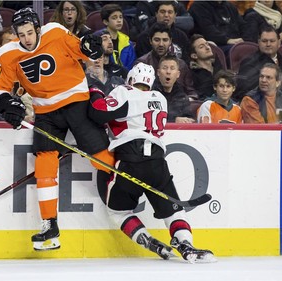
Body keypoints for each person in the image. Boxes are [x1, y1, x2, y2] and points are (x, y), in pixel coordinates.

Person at [0, 7, 114, 251]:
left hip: (77, 102)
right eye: (21, 34)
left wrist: (91, 47)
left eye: (29, 33)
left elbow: (83, 50)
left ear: (37, 28)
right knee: (44, 164)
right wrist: (7, 105)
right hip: (45, 112)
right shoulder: (6, 54)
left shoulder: (55, 31)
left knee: (101, 157)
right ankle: (50, 225)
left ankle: (125, 195)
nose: (26, 39)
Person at [87, 62, 215, 263]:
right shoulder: (160, 98)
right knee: (174, 210)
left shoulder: (124, 91)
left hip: (130, 158)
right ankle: (185, 243)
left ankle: (146, 239)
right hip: (157, 162)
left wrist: (95, 91)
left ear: (130, 79)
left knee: (118, 212)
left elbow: (98, 112)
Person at [135, 22, 198, 100]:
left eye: (165, 40)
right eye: (157, 40)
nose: (161, 44)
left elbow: (191, 92)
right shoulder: (142, 63)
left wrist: (186, 101)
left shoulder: (181, 64)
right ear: (150, 41)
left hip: (179, 106)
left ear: (170, 41)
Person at [235, 25, 282, 102]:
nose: (268, 44)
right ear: (259, 42)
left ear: (279, 43)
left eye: (272, 41)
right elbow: (242, 92)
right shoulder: (249, 62)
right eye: (264, 41)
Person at [155, 54, 195, 123]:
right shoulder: (150, 94)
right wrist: (173, 120)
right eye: (165, 68)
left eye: (172, 68)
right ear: (158, 72)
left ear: (178, 74)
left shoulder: (182, 97)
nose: (168, 72)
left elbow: (190, 119)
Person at [97, 3, 136, 70]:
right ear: (105, 22)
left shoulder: (127, 42)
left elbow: (131, 65)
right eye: (114, 18)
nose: (119, 20)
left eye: (120, 17)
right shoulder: (98, 39)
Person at [189, 34, 224, 101]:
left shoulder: (219, 66)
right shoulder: (193, 74)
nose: (207, 47)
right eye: (201, 47)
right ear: (194, 55)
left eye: (207, 44)